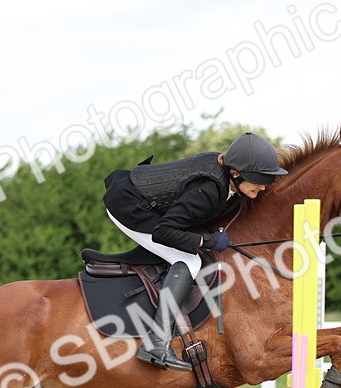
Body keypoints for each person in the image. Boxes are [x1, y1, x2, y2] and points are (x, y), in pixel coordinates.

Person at [102, 132, 288, 370]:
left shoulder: (224, 175)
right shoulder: (209, 191)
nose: (263, 186)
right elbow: (163, 232)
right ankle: (155, 343)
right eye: (259, 179)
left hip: (139, 195)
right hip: (127, 206)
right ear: (236, 174)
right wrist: (207, 241)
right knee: (189, 261)